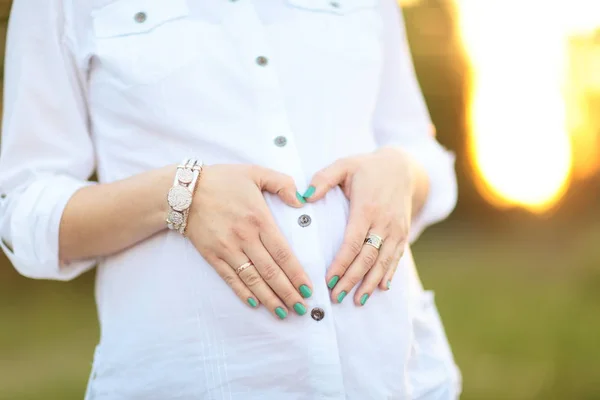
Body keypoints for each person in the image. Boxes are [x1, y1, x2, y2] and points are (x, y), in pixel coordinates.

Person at [0, 0, 461, 399]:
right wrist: (179, 194)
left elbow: (421, 152)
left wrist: (404, 172)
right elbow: (21, 208)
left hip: (396, 379)